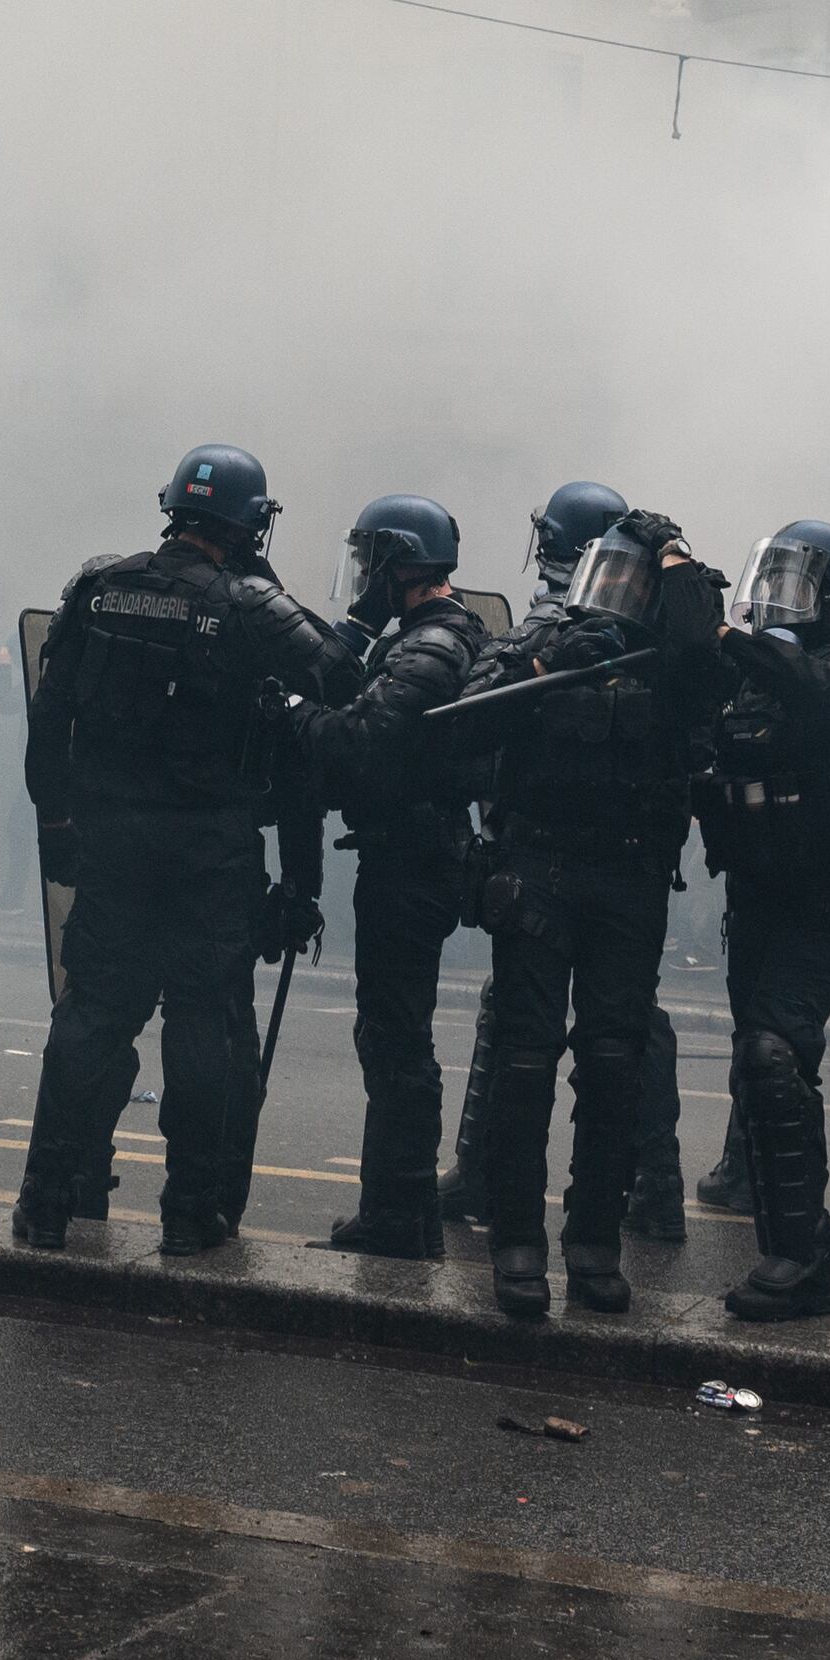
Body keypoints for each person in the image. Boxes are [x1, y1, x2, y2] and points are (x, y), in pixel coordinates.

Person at [17, 445, 341, 1253]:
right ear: (249, 523)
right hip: (210, 854)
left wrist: (57, 822)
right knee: (204, 1022)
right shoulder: (247, 605)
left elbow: (47, 717)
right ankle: (193, 1211)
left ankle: (47, 1199)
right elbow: (340, 674)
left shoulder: (98, 589)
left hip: (113, 841)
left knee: (92, 1012)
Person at [454, 510, 716, 1319]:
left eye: (640, 579)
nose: (618, 593)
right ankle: (518, 1243)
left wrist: (676, 558)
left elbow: (704, 661)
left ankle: (595, 1242)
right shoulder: (543, 636)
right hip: (539, 869)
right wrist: (541, 657)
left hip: (629, 877)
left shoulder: (673, 662)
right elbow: (465, 718)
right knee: (526, 1060)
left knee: (613, 1064)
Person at [703, 521, 830, 1320]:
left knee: (773, 1049)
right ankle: (795, 1244)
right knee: (760, 1060)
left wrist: (728, 637)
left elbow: (828, 696)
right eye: (772, 577)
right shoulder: (756, 673)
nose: (777, 596)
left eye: (797, 581)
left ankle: (801, 1259)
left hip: (828, 896)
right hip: (759, 889)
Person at [307, 493, 489, 1257]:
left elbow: (365, 739)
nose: (362, 575)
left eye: (369, 560)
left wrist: (296, 719)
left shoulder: (431, 646)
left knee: (395, 1038)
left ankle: (400, 1214)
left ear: (399, 563)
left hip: (411, 860)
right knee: (391, 1033)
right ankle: (399, 1207)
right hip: (415, 851)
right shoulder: (436, 635)